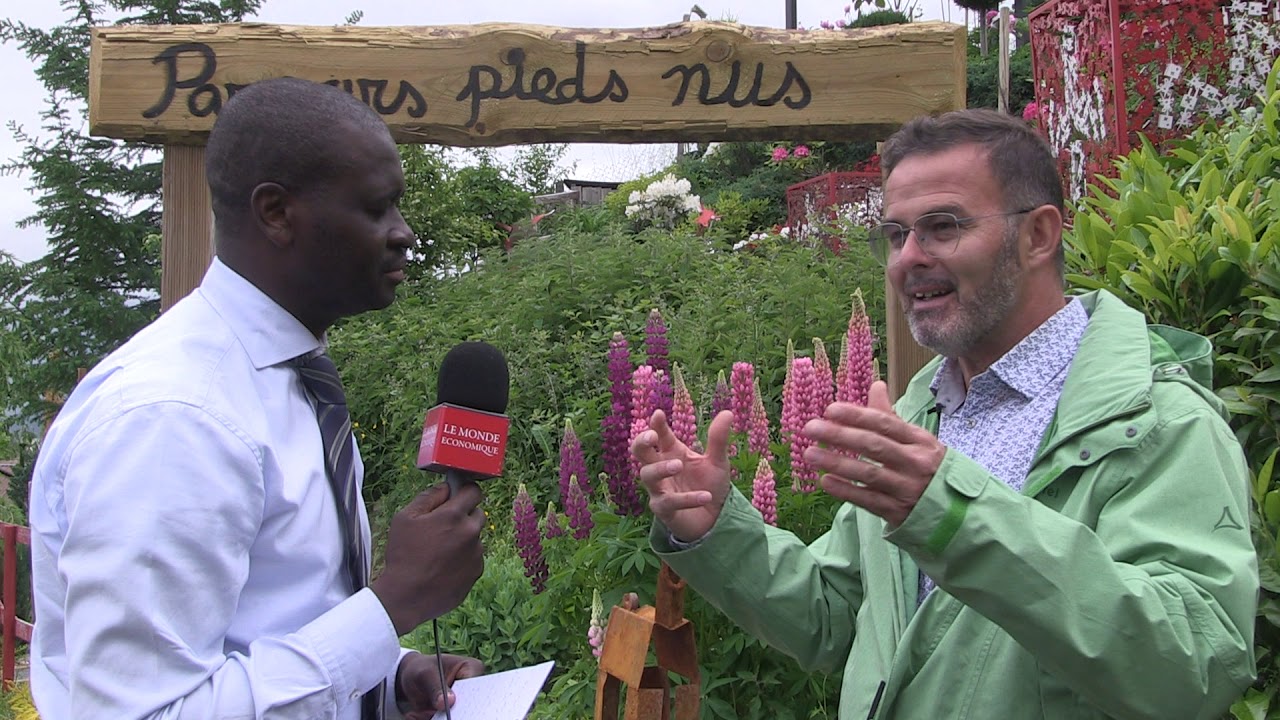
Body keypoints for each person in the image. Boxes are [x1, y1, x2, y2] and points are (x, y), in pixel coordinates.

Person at [632, 108, 1258, 719]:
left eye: (943, 226)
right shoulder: (923, 411)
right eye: (897, 234)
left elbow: (1194, 669)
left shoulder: (1157, 422)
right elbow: (838, 615)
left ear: (1038, 235)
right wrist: (717, 530)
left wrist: (953, 516)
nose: (908, 258)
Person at [28, 77, 486, 719]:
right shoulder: (174, 418)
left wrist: (385, 674)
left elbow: (273, 625)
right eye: (378, 208)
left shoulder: (287, 380)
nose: (403, 232)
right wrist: (391, 606)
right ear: (276, 213)